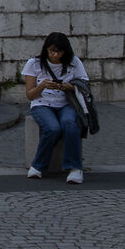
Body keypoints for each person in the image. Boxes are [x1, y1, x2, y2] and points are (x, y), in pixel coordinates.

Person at [23, 30, 91, 184]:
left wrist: (65, 86)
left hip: (67, 103)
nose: (55, 55)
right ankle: (38, 165)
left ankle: (74, 168)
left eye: (59, 52)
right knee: (52, 128)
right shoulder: (34, 63)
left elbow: (83, 85)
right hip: (42, 104)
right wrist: (42, 86)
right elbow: (30, 95)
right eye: (52, 51)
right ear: (46, 49)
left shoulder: (74, 62)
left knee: (70, 124)